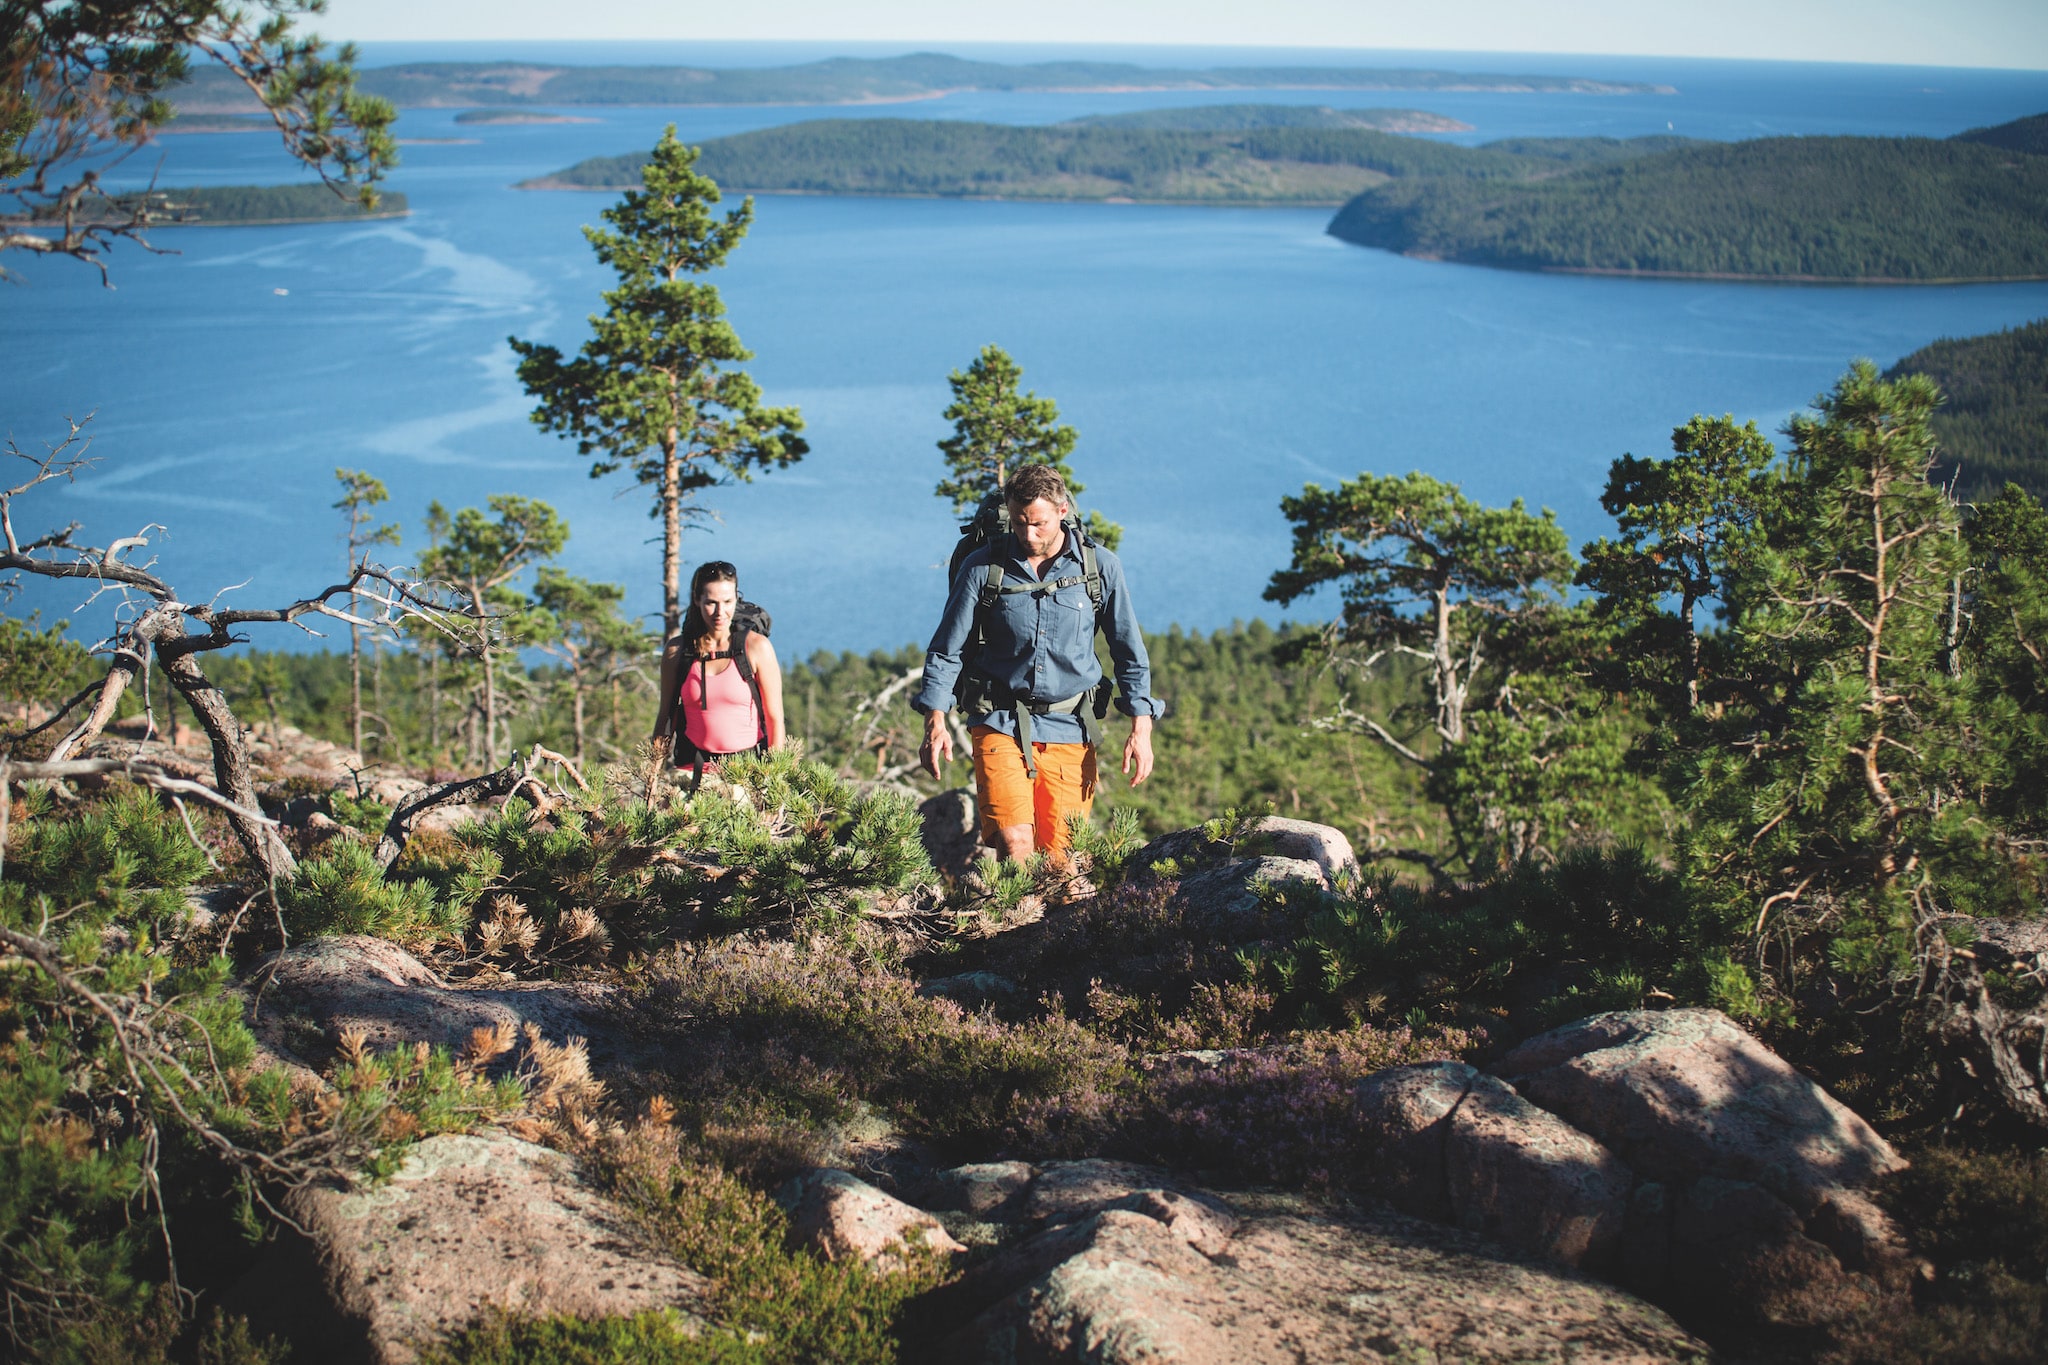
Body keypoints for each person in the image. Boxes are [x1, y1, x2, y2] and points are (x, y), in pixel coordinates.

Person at [915, 463, 1159, 863]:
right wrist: (935, 721)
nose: (1028, 534)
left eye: (1039, 524)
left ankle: (1045, 927)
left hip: (1071, 726)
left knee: (1061, 863)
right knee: (1016, 846)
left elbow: (1128, 651)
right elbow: (946, 650)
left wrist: (1141, 728)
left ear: (1062, 512)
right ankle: (1016, 921)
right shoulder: (983, 568)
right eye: (1019, 523)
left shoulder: (1099, 568)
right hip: (999, 721)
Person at [653, 561, 784, 779]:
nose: (720, 612)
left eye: (728, 601)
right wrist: (652, 778)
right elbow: (666, 716)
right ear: (696, 600)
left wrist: (773, 782)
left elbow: (775, 719)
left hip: (746, 773)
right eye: (711, 603)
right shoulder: (677, 652)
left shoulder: (756, 648)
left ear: (736, 599)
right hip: (691, 772)